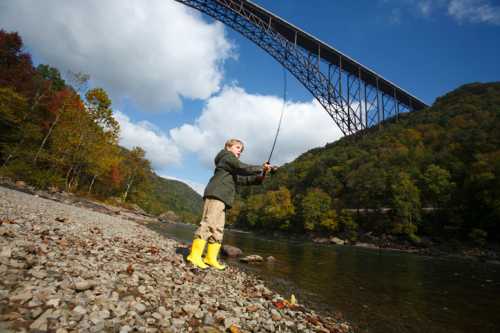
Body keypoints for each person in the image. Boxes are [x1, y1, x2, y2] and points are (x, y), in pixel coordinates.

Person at [187, 138, 274, 270]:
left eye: (241, 150)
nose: (240, 152)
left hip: (223, 199)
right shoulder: (225, 157)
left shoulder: (230, 169)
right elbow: (241, 167)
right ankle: (194, 256)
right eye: (238, 148)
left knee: (218, 230)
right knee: (208, 224)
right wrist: (261, 167)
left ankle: (210, 258)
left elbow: (245, 180)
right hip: (216, 194)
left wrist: (262, 175)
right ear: (228, 147)